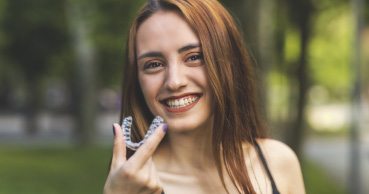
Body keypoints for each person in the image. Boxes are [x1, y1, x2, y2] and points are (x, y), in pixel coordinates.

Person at [104, 0, 305, 193]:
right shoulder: (134, 182)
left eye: (194, 57)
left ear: (229, 63)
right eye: (154, 64)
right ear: (137, 81)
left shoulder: (278, 162)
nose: (174, 81)